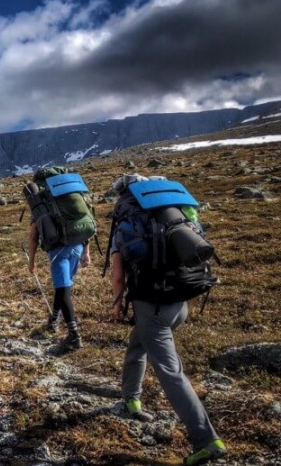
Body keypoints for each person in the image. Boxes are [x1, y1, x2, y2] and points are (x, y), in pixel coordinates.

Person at [109, 176, 227, 466]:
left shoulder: (129, 218)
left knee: (170, 371)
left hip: (153, 306)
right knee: (137, 344)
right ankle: (131, 398)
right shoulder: (172, 211)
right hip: (178, 302)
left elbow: (117, 274)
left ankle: (207, 440)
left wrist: (116, 304)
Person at [28, 222, 91, 350]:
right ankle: (54, 320)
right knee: (64, 286)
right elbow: (85, 224)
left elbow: (33, 236)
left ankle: (74, 335)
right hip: (77, 246)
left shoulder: (40, 205)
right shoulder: (71, 201)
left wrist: (31, 260)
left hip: (58, 249)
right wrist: (86, 251)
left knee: (63, 288)